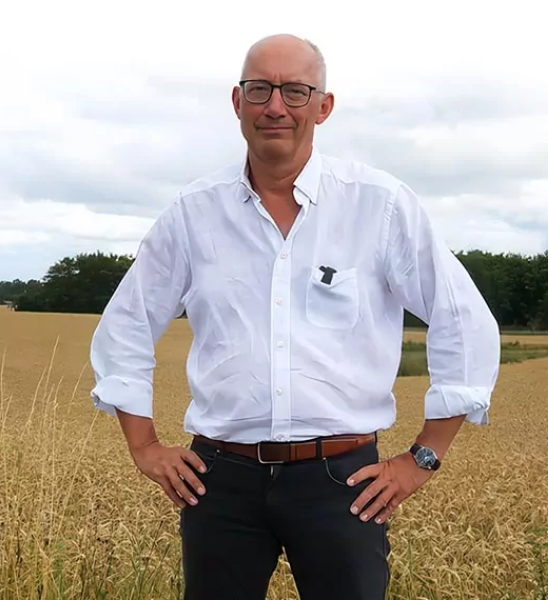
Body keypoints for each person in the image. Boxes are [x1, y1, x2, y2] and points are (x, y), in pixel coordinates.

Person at [89, 33, 501, 600]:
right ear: (238, 102)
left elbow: (463, 319)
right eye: (259, 90)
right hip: (219, 481)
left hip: (344, 482)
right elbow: (126, 325)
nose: (275, 106)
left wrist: (423, 457)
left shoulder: (379, 206)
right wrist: (144, 446)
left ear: (323, 107)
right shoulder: (192, 214)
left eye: (295, 91)